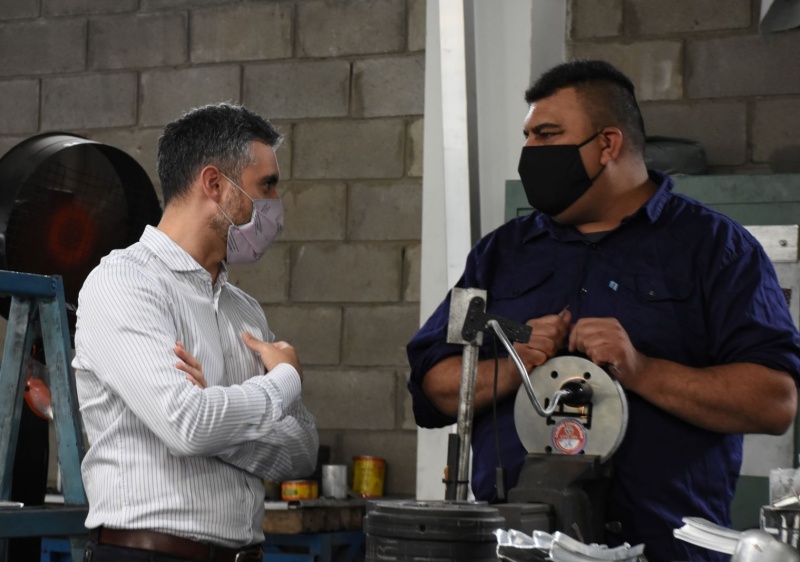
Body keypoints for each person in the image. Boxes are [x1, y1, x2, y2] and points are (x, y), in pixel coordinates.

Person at [406, 60, 800, 561]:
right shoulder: (500, 255)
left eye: (547, 135)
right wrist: (514, 365)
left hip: (661, 550)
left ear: (607, 144)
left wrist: (643, 370)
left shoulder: (717, 250)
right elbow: (433, 387)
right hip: (514, 548)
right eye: (527, 136)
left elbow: (774, 402)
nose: (530, 151)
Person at [73, 102, 318, 562]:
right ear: (214, 184)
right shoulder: (125, 283)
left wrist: (216, 414)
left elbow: (302, 449)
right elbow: (188, 425)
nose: (276, 203)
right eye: (266, 185)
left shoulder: (244, 310)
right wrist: (284, 379)